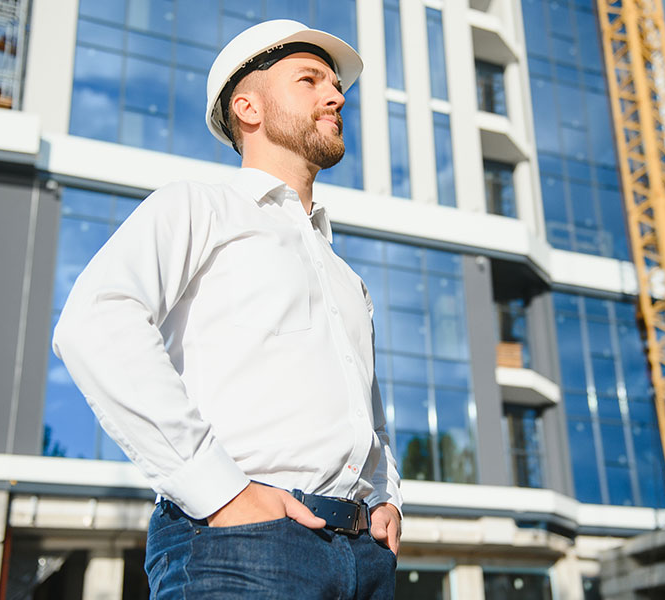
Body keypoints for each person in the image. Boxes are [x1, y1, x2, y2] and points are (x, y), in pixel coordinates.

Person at [52, 19, 402, 599]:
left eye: (336, 85)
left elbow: (370, 412)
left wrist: (387, 495)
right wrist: (221, 493)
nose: (336, 97)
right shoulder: (196, 207)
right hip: (239, 544)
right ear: (248, 106)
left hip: (365, 556)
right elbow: (96, 321)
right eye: (310, 79)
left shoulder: (347, 279)